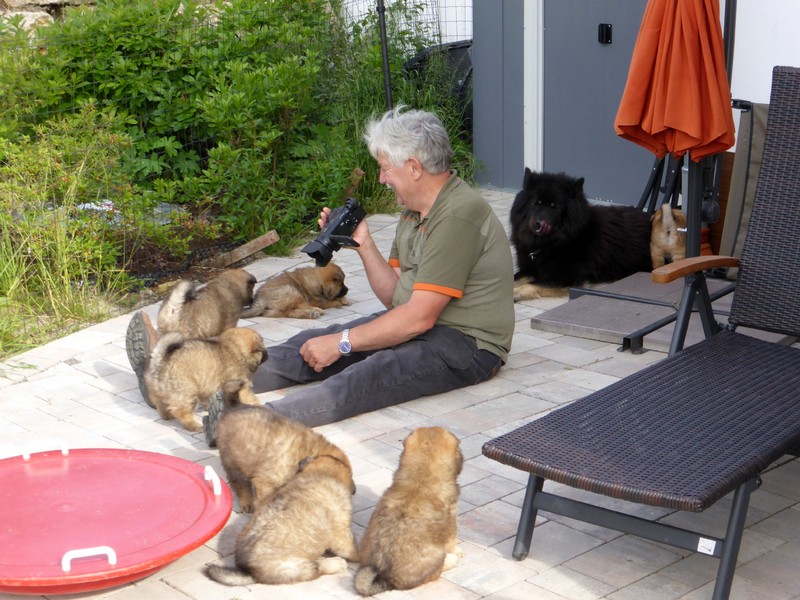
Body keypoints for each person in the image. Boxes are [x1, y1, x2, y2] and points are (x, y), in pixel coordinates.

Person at [250, 105, 515, 426]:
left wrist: (343, 343)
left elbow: (417, 318)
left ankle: (253, 423)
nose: (381, 179)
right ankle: (219, 380)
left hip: (468, 344)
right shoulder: (414, 211)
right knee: (315, 341)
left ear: (414, 167)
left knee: (371, 371)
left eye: (386, 169)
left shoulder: (458, 215)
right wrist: (363, 243)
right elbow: (395, 299)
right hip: (425, 323)